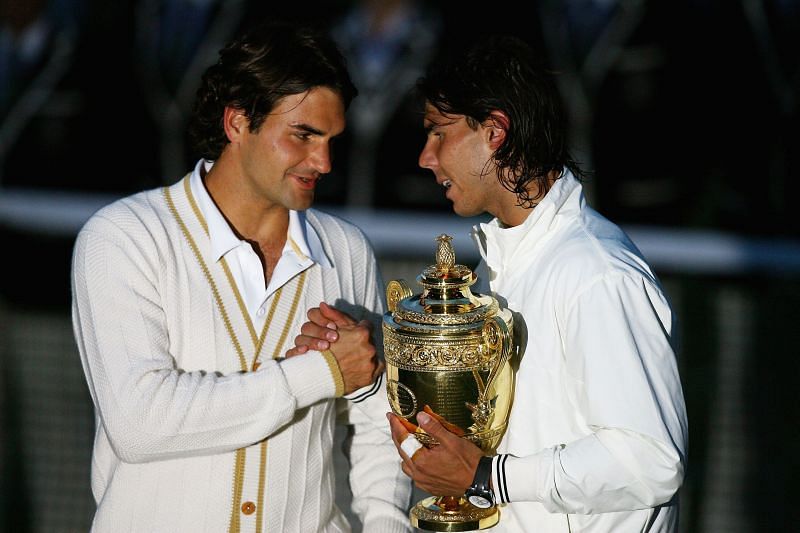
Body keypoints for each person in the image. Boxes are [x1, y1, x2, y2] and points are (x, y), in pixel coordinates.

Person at [293, 34, 688, 532]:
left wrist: (485, 477)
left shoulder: (596, 273)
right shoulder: (499, 269)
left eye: (439, 133)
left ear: (495, 131)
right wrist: (370, 365)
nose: (425, 157)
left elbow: (650, 462)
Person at [70, 20, 412, 532]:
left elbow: (377, 418)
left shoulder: (347, 250)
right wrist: (318, 375)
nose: (323, 161)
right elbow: (139, 423)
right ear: (236, 123)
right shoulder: (123, 237)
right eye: (303, 135)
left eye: (331, 140)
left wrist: (386, 523)